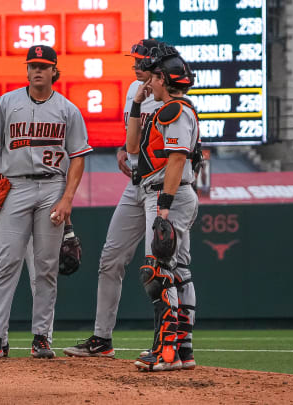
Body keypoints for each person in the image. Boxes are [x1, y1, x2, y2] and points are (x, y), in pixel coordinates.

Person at [0, 45, 91, 360]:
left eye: (43, 66)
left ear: (53, 71)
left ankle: (42, 338)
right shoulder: (7, 103)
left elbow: (77, 160)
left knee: (46, 268)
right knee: (4, 263)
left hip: (52, 186)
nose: (36, 70)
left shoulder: (68, 110)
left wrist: (67, 200)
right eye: (32, 65)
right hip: (15, 186)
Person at [64, 39, 163, 359]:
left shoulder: (169, 95)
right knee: (110, 260)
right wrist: (124, 149)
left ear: (155, 64)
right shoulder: (133, 91)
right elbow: (134, 136)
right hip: (135, 187)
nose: (134, 66)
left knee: (160, 266)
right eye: (134, 60)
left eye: (140, 61)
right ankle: (102, 340)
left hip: (160, 188)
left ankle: (168, 341)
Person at [125, 44, 199, 372]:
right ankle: (182, 351)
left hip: (169, 195)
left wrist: (164, 207)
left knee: (157, 271)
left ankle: (166, 350)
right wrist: (137, 104)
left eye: (155, 77)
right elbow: (131, 147)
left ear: (166, 79)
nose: (150, 82)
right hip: (171, 193)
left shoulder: (176, 110)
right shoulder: (164, 109)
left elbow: (178, 158)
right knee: (178, 271)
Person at [0, 157, 55, 356]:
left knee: (41, 277)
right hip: (5, 218)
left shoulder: (37, 145)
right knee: (1, 275)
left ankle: (43, 339)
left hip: (39, 215)